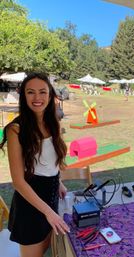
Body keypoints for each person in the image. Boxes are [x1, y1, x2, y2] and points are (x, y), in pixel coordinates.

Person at [0, 72, 69, 257]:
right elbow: (18, 182)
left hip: (51, 201)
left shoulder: (52, 121)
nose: (37, 98)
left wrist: (59, 181)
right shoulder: (16, 130)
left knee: (51, 249)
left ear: (50, 94)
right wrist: (49, 213)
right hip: (30, 207)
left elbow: (49, 159)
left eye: (42, 92)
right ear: (23, 96)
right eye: (31, 92)